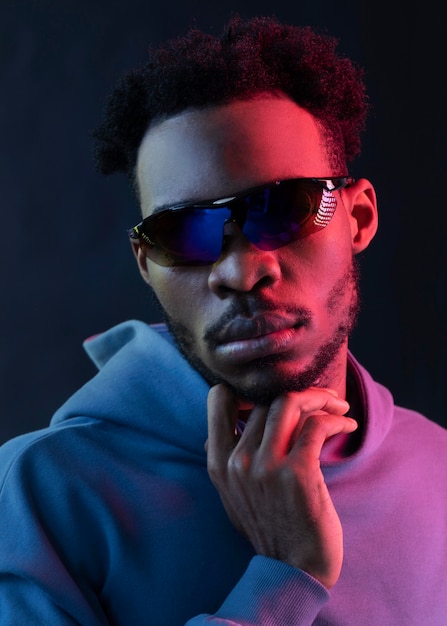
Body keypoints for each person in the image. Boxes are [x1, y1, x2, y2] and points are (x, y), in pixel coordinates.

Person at [0, 15, 446, 625]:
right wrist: (285, 579)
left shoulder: (437, 468)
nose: (239, 272)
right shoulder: (43, 494)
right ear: (145, 263)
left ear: (359, 218)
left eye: (284, 210)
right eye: (184, 232)